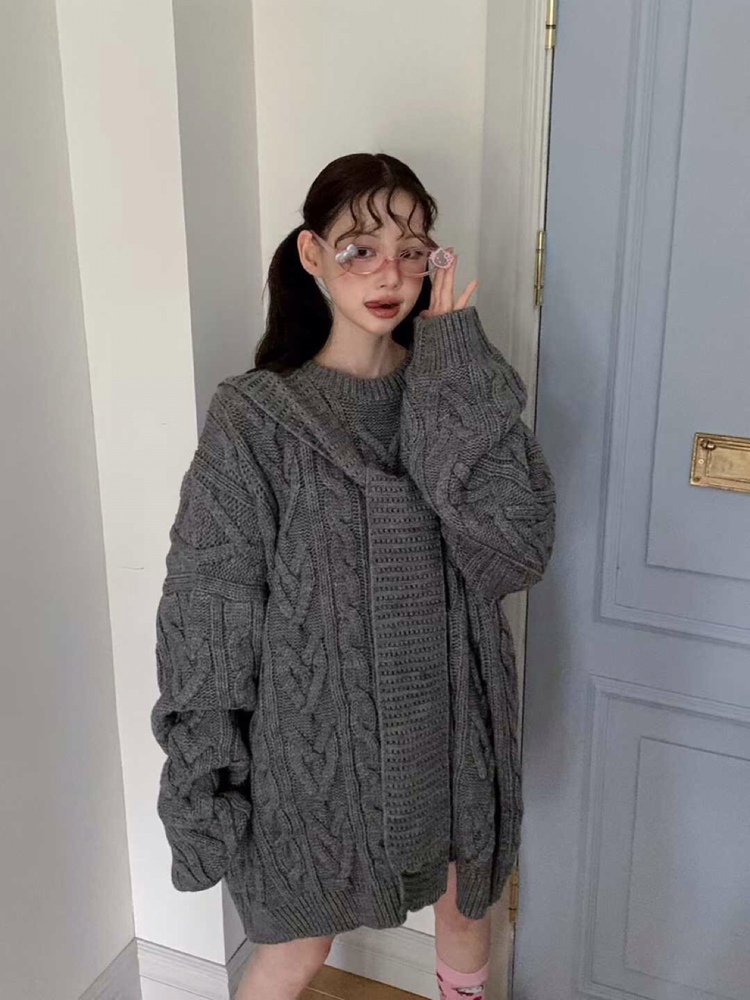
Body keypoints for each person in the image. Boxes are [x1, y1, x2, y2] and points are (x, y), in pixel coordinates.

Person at [150, 152, 556, 1000]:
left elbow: (514, 552)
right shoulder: (256, 418)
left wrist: (452, 361)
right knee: (298, 946)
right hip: (314, 742)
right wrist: (206, 762)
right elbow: (210, 600)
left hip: (453, 724)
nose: (390, 275)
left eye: (413, 251)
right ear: (312, 254)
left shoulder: (452, 387)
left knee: (468, 909)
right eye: (360, 249)